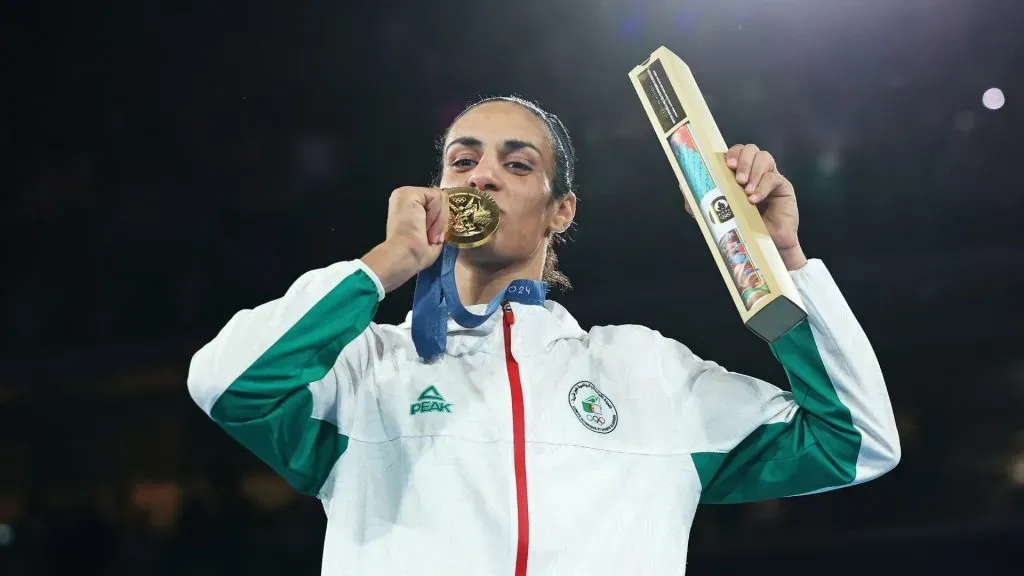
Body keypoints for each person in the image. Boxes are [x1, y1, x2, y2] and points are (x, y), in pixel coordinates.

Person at [187, 95, 900, 575]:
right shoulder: (369, 370)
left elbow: (857, 442)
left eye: (516, 163)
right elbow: (226, 382)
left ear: (562, 212)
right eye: (462, 161)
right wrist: (385, 266)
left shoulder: (645, 372)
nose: (484, 176)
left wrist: (782, 262)